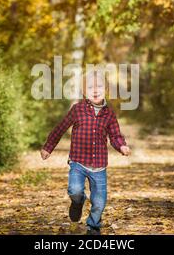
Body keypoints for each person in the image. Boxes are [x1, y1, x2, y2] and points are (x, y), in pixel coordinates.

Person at [40, 70, 131, 235]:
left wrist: (122, 146)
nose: (95, 90)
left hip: (99, 166)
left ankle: (93, 227)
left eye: (99, 87)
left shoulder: (109, 114)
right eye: (90, 87)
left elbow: (115, 135)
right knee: (74, 190)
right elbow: (60, 128)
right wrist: (48, 147)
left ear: (106, 90)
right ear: (84, 92)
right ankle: (78, 202)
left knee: (99, 201)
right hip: (78, 162)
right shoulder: (77, 110)